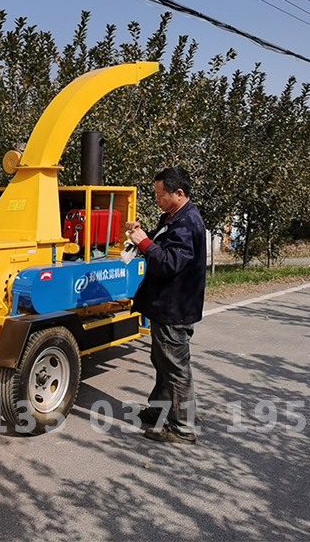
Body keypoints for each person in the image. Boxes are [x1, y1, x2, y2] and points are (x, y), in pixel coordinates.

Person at [126, 166, 206, 444]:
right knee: (162, 361)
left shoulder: (187, 223)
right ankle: (159, 410)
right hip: (166, 304)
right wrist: (143, 234)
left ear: (179, 193)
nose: (157, 200)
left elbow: (170, 263)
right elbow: (163, 246)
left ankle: (182, 428)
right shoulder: (173, 217)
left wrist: (145, 243)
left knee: (175, 367)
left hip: (175, 307)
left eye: (161, 195)